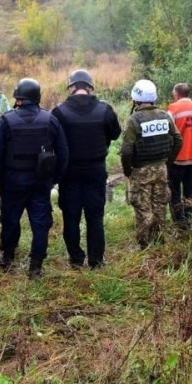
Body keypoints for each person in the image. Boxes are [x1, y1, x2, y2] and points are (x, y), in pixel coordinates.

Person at [0, 78, 69, 279]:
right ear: (37, 97)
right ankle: (35, 267)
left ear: (18, 98)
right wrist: (53, 179)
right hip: (40, 182)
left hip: (13, 181)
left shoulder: (7, 121)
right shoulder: (50, 120)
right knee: (40, 224)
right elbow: (63, 153)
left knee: (9, 220)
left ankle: (7, 258)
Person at [52, 69, 121, 268]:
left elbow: (53, 140)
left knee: (71, 217)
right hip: (96, 170)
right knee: (95, 216)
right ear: (90, 88)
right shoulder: (105, 110)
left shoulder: (59, 111)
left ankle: (75, 259)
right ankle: (96, 260)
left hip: (69, 172)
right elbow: (115, 134)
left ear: (71, 87)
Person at [121, 80, 183, 249]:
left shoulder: (134, 120)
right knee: (159, 206)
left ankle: (144, 247)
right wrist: (168, 161)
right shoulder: (165, 116)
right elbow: (178, 140)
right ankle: (160, 244)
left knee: (143, 209)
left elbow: (126, 150)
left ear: (136, 99)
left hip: (140, 171)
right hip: (161, 169)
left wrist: (128, 170)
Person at [166, 83, 192, 230]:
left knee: (175, 192)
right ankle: (188, 223)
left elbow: (167, 134)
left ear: (176, 94)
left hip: (177, 159)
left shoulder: (173, 109)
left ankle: (178, 224)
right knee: (189, 192)